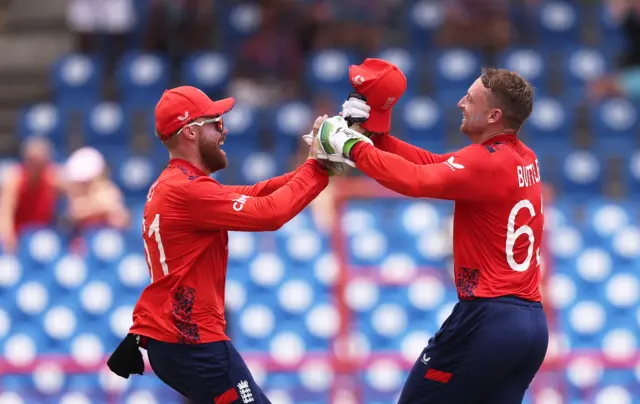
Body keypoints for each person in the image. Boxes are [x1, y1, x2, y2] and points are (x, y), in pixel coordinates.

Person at [320, 59, 548, 403]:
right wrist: (375, 137)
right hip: (531, 325)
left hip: (489, 317)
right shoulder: (522, 157)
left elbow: (416, 179)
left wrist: (350, 145)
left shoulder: (485, 161)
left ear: (493, 117)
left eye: (470, 99)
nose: (460, 103)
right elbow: (432, 164)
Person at [108, 86, 337, 404]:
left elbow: (257, 192)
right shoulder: (186, 191)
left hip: (178, 339)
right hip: (191, 339)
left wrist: (318, 165)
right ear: (190, 131)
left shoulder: (178, 184)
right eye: (215, 122)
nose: (224, 130)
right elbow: (270, 214)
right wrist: (316, 168)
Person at [0, 137, 58, 253]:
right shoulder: (15, 179)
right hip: (19, 237)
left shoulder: (52, 177)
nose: (35, 167)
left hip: (43, 237)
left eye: (40, 162)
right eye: (32, 161)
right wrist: (9, 240)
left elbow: (75, 192)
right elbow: (5, 214)